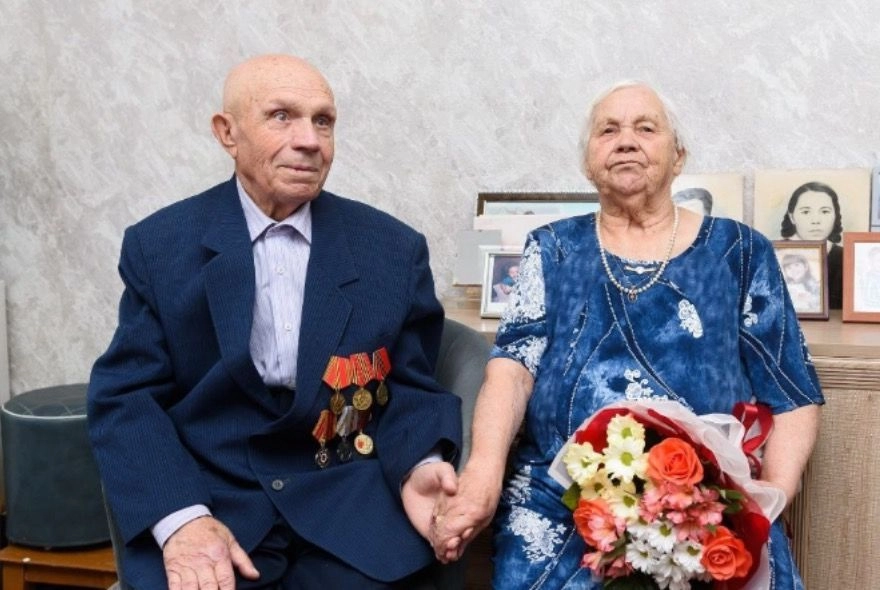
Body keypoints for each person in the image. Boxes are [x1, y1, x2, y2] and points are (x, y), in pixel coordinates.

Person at [87, 54, 462, 589]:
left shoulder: (392, 250)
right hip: (213, 498)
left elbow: (411, 388)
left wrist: (419, 466)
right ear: (228, 132)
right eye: (281, 116)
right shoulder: (160, 246)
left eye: (323, 121)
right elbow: (126, 398)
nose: (309, 140)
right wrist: (181, 519)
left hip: (347, 502)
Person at [430, 81, 823, 589]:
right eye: (608, 130)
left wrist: (762, 508)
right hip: (562, 498)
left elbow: (791, 393)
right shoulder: (553, 249)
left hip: (703, 504)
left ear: (678, 157)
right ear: (588, 162)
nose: (626, 141)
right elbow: (512, 370)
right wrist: (484, 469)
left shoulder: (738, 252)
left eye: (646, 128)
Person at [779, 181, 844, 309]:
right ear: (792, 217)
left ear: (835, 216)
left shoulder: (846, 257)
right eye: (805, 212)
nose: (815, 221)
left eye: (825, 212)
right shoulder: (773, 253)